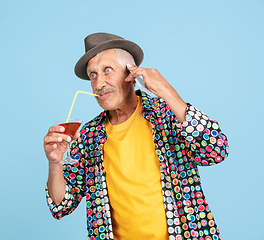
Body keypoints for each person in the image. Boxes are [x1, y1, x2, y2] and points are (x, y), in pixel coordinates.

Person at [43, 32, 229, 240]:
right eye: (93, 75)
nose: (99, 83)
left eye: (107, 70)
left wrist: (167, 91)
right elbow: (61, 205)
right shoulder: (88, 136)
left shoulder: (167, 114)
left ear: (130, 74)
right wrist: (54, 163)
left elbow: (216, 151)